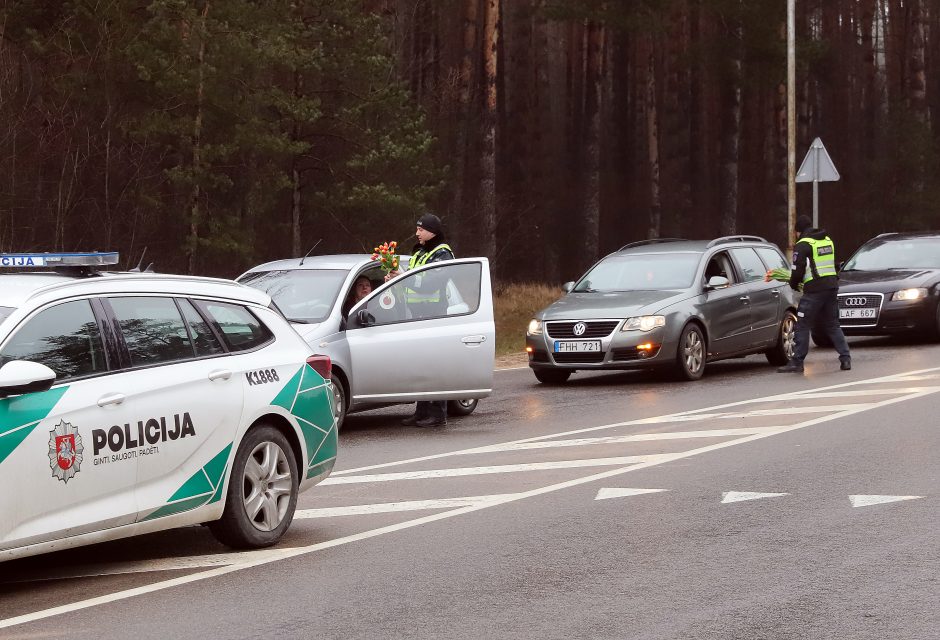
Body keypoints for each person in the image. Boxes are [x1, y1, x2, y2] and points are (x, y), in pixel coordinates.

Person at [390, 213, 455, 427]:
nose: (416, 233)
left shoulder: (442, 253)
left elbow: (431, 284)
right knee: (421, 364)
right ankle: (422, 410)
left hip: (435, 315)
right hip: (418, 316)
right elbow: (412, 279)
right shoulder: (419, 252)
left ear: (431, 231)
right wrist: (395, 278)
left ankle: (438, 414)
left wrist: (404, 279)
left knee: (434, 365)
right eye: (417, 229)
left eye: (420, 229)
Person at [777, 214, 852, 373]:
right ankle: (845, 359)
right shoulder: (827, 240)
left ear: (799, 231)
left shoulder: (803, 244)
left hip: (814, 290)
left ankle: (797, 362)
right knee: (832, 324)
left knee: (802, 324)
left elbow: (798, 270)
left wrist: (793, 284)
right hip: (831, 287)